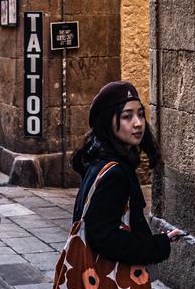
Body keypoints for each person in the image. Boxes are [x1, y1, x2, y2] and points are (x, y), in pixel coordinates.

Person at [71, 81, 182, 268]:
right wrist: (158, 244)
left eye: (140, 114)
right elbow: (104, 237)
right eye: (127, 117)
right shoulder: (113, 173)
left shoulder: (100, 159)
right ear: (108, 121)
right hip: (108, 287)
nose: (138, 123)